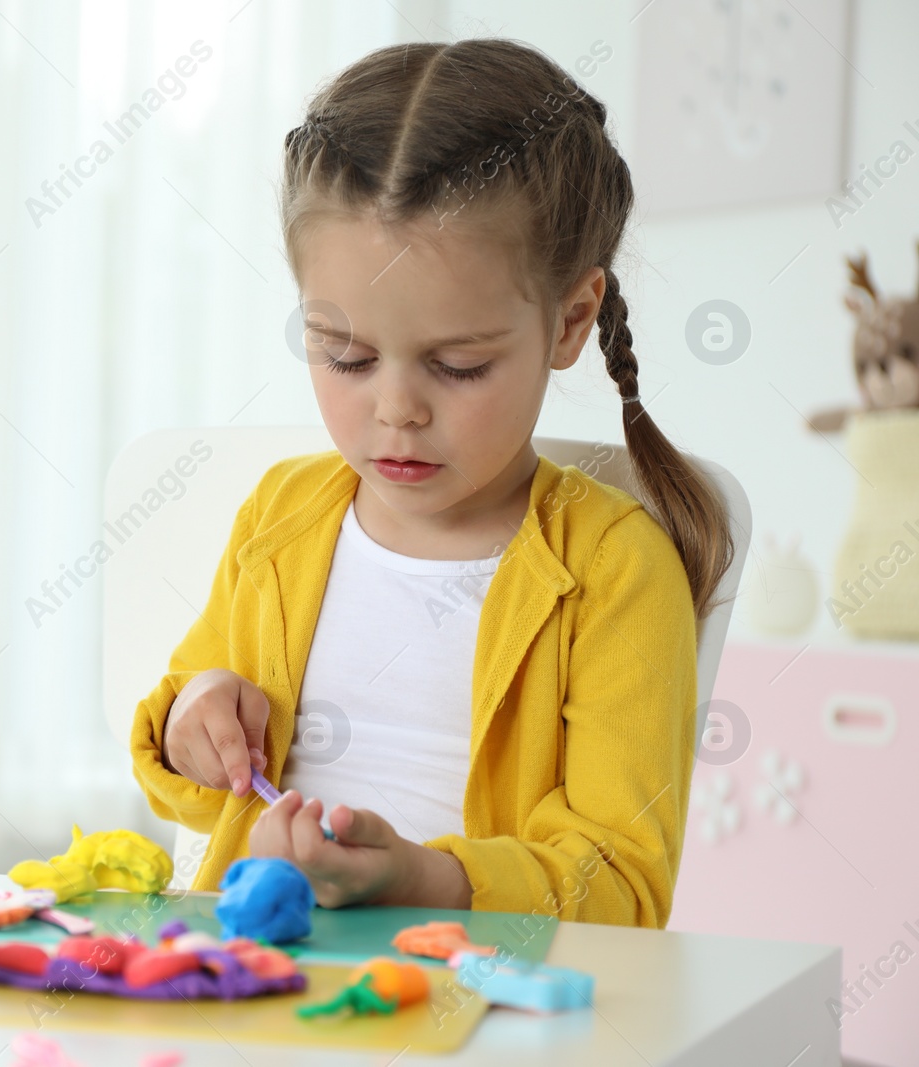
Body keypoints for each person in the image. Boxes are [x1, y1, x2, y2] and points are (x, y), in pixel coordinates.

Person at [129, 38, 734, 929]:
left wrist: (421, 877)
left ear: (571, 320)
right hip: (249, 973)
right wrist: (197, 722)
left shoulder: (614, 567)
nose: (396, 409)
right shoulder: (282, 515)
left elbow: (619, 884)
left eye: (456, 365)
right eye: (346, 355)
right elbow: (190, 781)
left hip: (475, 1000)